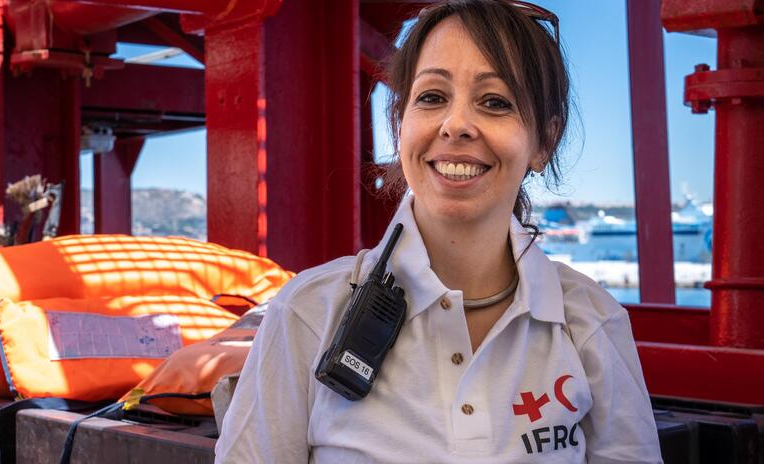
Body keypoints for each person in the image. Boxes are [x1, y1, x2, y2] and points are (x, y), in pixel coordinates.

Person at [215, 0, 662, 462]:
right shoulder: (308, 313)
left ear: (543, 142)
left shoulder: (591, 322)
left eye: (495, 102)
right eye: (431, 97)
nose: (456, 125)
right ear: (400, 122)